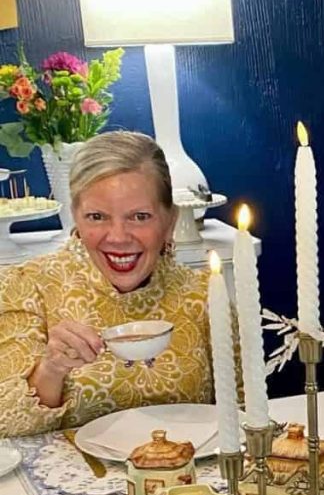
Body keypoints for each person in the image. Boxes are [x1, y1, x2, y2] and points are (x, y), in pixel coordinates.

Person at [0, 131, 213, 436]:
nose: (118, 237)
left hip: (186, 480)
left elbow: (245, 411)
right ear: (75, 216)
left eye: (140, 216)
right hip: (68, 480)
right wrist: (51, 369)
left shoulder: (203, 293)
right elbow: (6, 429)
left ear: (170, 221)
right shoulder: (26, 286)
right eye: (97, 216)